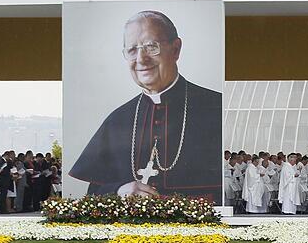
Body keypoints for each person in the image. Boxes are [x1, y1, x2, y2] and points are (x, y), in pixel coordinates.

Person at [69, 11, 221, 201]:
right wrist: (119, 189)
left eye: (151, 47)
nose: (141, 59)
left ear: (176, 49)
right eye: (132, 50)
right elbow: (94, 191)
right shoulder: (118, 119)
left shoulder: (217, 108)